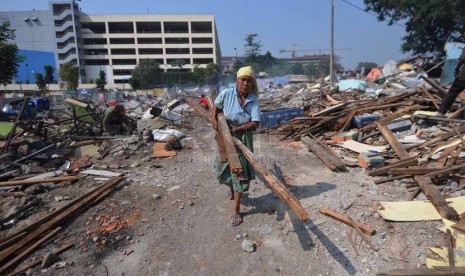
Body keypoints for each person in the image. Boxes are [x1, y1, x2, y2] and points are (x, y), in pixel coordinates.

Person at [212, 66, 260, 226]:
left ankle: (236, 210)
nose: (245, 83)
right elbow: (216, 106)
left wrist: (237, 130)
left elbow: (255, 123)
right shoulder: (227, 93)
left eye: (249, 80)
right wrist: (214, 121)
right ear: (237, 80)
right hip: (224, 133)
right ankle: (231, 188)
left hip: (243, 136)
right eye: (243, 79)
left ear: (252, 83)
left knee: (240, 170)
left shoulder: (253, 99)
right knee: (223, 166)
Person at [439, 47, 465, 116]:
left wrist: (457, 69)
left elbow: (462, 59)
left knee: (452, 93)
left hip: (463, 76)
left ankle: (441, 112)